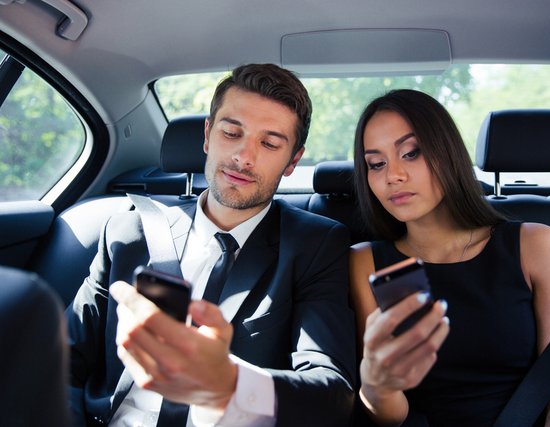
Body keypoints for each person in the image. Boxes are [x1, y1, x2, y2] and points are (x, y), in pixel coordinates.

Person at [67, 63, 356, 426]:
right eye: (231, 133)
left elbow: (332, 393)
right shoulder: (128, 230)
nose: (243, 156)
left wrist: (228, 383)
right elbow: (60, 364)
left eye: (269, 143)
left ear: (292, 161)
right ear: (207, 135)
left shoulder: (315, 245)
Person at [348, 89, 550, 426]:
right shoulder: (365, 263)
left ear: (447, 153)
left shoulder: (536, 245)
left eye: (411, 153)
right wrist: (377, 386)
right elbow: (391, 415)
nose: (393, 175)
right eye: (376, 163)